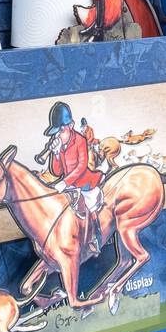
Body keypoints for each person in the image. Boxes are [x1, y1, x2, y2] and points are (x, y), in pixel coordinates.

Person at [42, 102, 104, 257]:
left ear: (71, 125)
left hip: (85, 183)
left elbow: (82, 166)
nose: (59, 133)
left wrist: (65, 183)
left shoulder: (80, 140)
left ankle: (94, 239)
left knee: (89, 205)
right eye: (57, 130)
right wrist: (55, 154)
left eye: (61, 129)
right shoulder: (60, 145)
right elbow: (57, 171)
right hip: (69, 185)